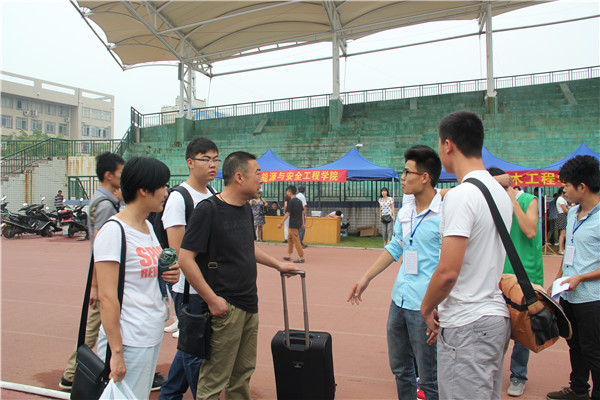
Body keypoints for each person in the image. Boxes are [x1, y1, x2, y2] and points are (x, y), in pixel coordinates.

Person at [178, 151, 298, 400]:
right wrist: (213, 300)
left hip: (249, 303)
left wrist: (277, 264)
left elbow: (247, 247)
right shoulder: (208, 210)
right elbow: (185, 259)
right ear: (240, 177)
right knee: (214, 379)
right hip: (225, 308)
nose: (262, 179)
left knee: (242, 374)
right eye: (258, 174)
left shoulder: (245, 209)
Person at [421, 110, 512, 400]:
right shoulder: (499, 192)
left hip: (468, 322)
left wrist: (426, 308)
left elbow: (448, 272)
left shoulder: (461, 196)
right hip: (493, 316)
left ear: (448, 145)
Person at [349, 145, 442, 400]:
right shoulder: (406, 212)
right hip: (399, 300)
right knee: (401, 370)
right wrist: (366, 277)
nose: (402, 177)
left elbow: (452, 266)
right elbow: (395, 247)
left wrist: (438, 307)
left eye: (407, 172)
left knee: (430, 378)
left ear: (425, 177)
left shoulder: (446, 214)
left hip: (426, 306)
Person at [95, 157, 180, 399]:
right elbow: (107, 297)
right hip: (128, 338)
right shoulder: (114, 231)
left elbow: (148, 273)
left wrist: (170, 274)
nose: (166, 192)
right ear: (144, 190)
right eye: (162, 186)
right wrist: (116, 352)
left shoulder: (147, 227)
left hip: (149, 331)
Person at [59, 152, 126, 390]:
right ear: (109, 175)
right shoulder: (106, 205)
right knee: (94, 326)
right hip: (102, 274)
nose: (124, 177)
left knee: (98, 325)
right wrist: (96, 285)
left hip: (100, 274)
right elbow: (101, 246)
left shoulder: (102, 199)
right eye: (121, 173)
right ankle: (71, 374)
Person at [159, 138, 219, 400]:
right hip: (189, 290)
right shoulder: (178, 198)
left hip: (210, 285)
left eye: (216, 159)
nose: (213, 164)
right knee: (196, 355)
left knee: (190, 347)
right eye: (206, 159)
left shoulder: (213, 194)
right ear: (190, 162)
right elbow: (180, 253)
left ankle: (169, 395)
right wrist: (206, 292)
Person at [546, 155, 600, 400]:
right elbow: (568, 247)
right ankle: (578, 389)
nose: (563, 190)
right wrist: (558, 278)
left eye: (567, 185)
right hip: (568, 293)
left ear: (582, 187)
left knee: (593, 350)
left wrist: (581, 278)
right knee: (574, 344)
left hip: (592, 298)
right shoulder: (570, 211)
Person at [489, 168, 544, 397]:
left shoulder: (528, 200)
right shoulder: (492, 203)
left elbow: (530, 231)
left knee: (523, 328)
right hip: (501, 274)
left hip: (526, 275)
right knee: (497, 326)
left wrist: (511, 200)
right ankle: (492, 371)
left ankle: (518, 375)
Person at [278, 185, 305, 263]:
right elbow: (302, 213)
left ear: (289, 192)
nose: (287, 193)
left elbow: (287, 213)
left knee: (296, 240)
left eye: (287, 191)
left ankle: (301, 257)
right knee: (290, 238)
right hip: (298, 222)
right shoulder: (299, 201)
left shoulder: (291, 201)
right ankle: (289, 255)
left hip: (293, 223)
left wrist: (281, 223)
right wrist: (303, 223)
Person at [557, 187, 569, 254]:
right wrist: (570, 213)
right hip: (562, 215)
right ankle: (560, 249)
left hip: (563, 215)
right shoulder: (560, 199)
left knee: (564, 233)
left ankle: (562, 248)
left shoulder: (562, 199)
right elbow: (564, 209)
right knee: (562, 234)